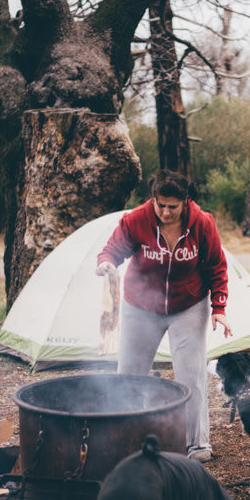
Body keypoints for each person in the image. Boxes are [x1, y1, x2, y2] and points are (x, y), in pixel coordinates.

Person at [96, 169, 232, 463]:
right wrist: (106, 264)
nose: (166, 212)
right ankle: (125, 438)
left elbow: (216, 268)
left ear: (186, 202)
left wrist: (218, 309)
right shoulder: (136, 220)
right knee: (129, 374)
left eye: (173, 207)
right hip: (140, 306)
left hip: (189, 305)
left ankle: (196, 444)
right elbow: (112, 250)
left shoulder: (203, 224)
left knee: (191, 375)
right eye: (161, 205)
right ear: (153, 199)